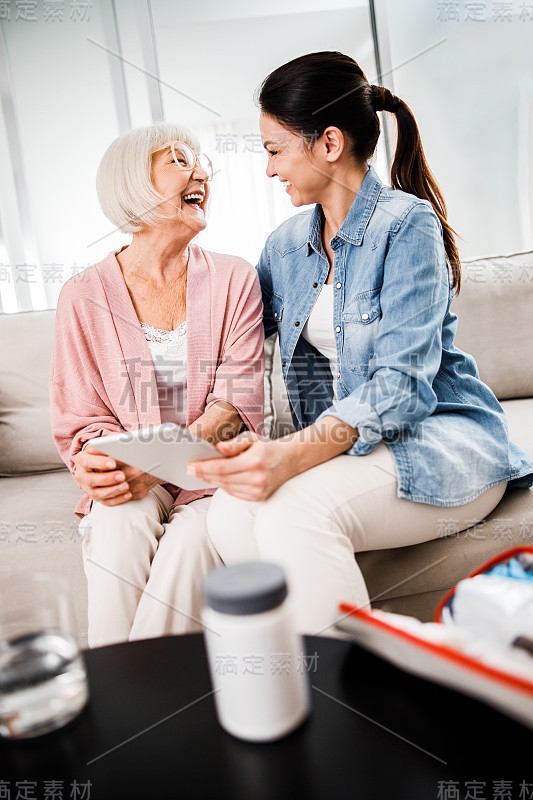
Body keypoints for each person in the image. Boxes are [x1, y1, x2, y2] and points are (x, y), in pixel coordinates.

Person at [190, 52, 533, 637]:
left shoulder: (407, 226)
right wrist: (214, 417)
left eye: (275, 150)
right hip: (356, 451)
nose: (269, 170)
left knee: (295, 511)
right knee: (228, 513)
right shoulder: (286, 244)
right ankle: (303, 674)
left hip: (442, 442)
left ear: (328, 143)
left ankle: (357, 706)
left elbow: (401, 388)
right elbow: (242, 343)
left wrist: (292, 452)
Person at [49, 123, 264, 648]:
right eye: (178, 160)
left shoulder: (237, 278)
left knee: (192, 542)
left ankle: (122, 704)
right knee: (119, 525)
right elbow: (82, 419)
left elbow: (235, 406)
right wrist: (100, 465)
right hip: (130, 477)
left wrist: (160, 463)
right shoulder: (81, 295)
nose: (201, 172)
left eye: (201, 162)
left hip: (214, 478)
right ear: (134, 184)